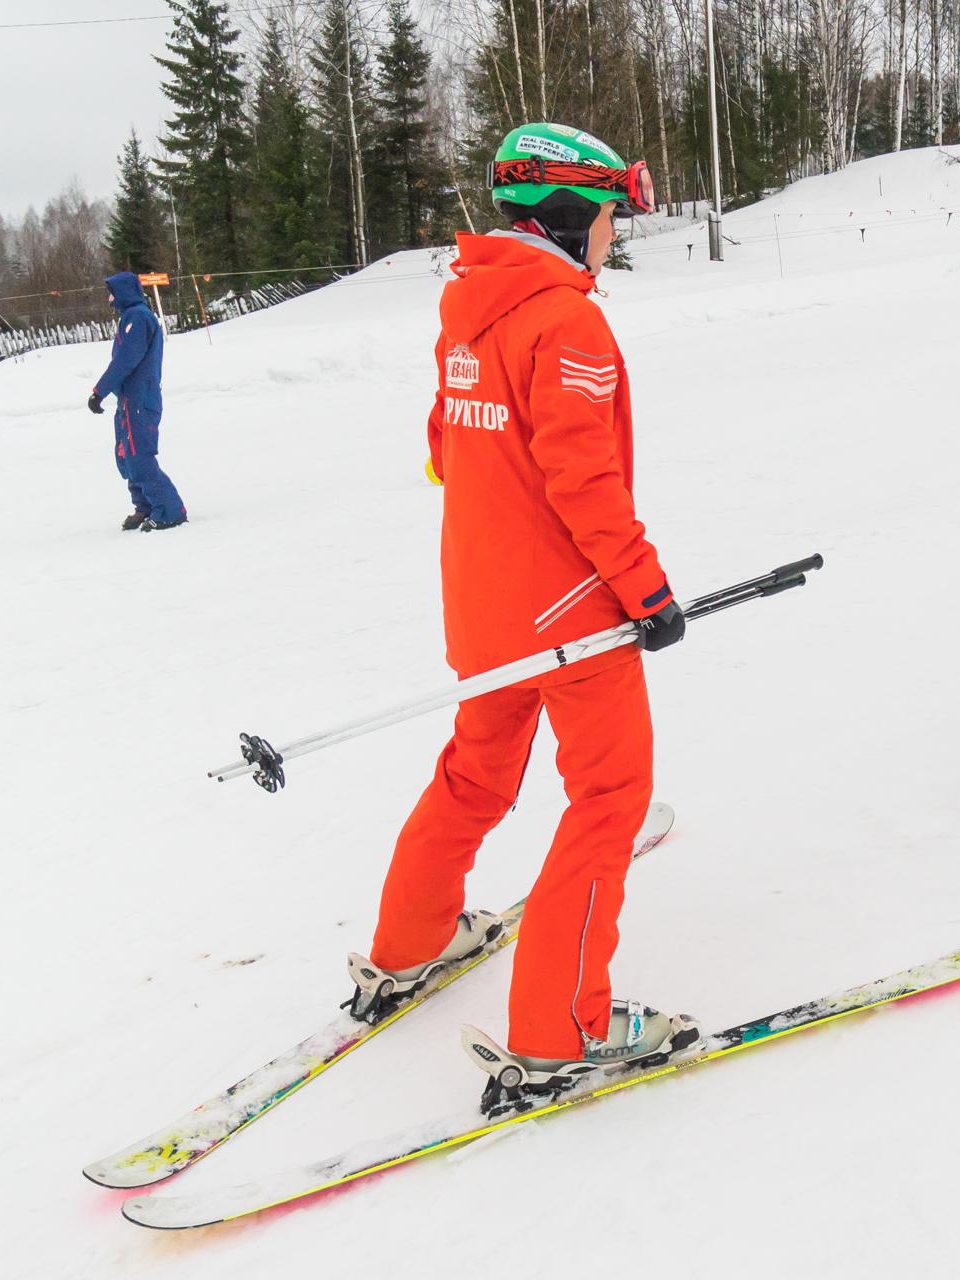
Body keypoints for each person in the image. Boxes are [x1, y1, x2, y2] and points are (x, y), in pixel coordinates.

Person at [343, 122, 692, 1108]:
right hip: (573, 613)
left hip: (486, 605)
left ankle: (408, 940)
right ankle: (562, 1026)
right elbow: (584, 481)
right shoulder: (567, 322)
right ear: (571, 213)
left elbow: (446, 449)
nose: (612, 235)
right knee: (610, 795)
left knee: (478, 771)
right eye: (609, 215)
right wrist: (647, 592)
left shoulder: (469, 308)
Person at [87, 273, 187, 531]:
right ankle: (145, 505)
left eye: (112, 292)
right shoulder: (129, 318)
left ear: (123, 292)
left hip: (141, 398)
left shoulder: (138, 318)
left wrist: (100, 390)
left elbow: (126, 360)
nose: (109, 299)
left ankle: (169, 510)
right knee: (127, 456)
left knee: (140, 455)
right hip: (129, 399)